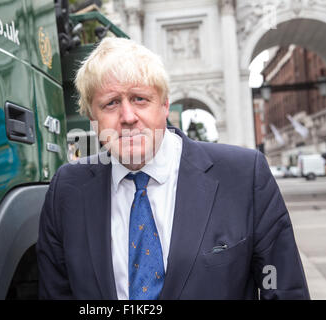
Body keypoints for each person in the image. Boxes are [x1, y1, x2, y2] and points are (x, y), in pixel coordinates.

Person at [36, 37, 309, 300]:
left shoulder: (243, 175)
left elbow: (284, 288)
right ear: (92, 118)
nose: (128, 117)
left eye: (140, 99)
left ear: (165, 105)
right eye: (111, 103)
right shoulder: (67, 190)